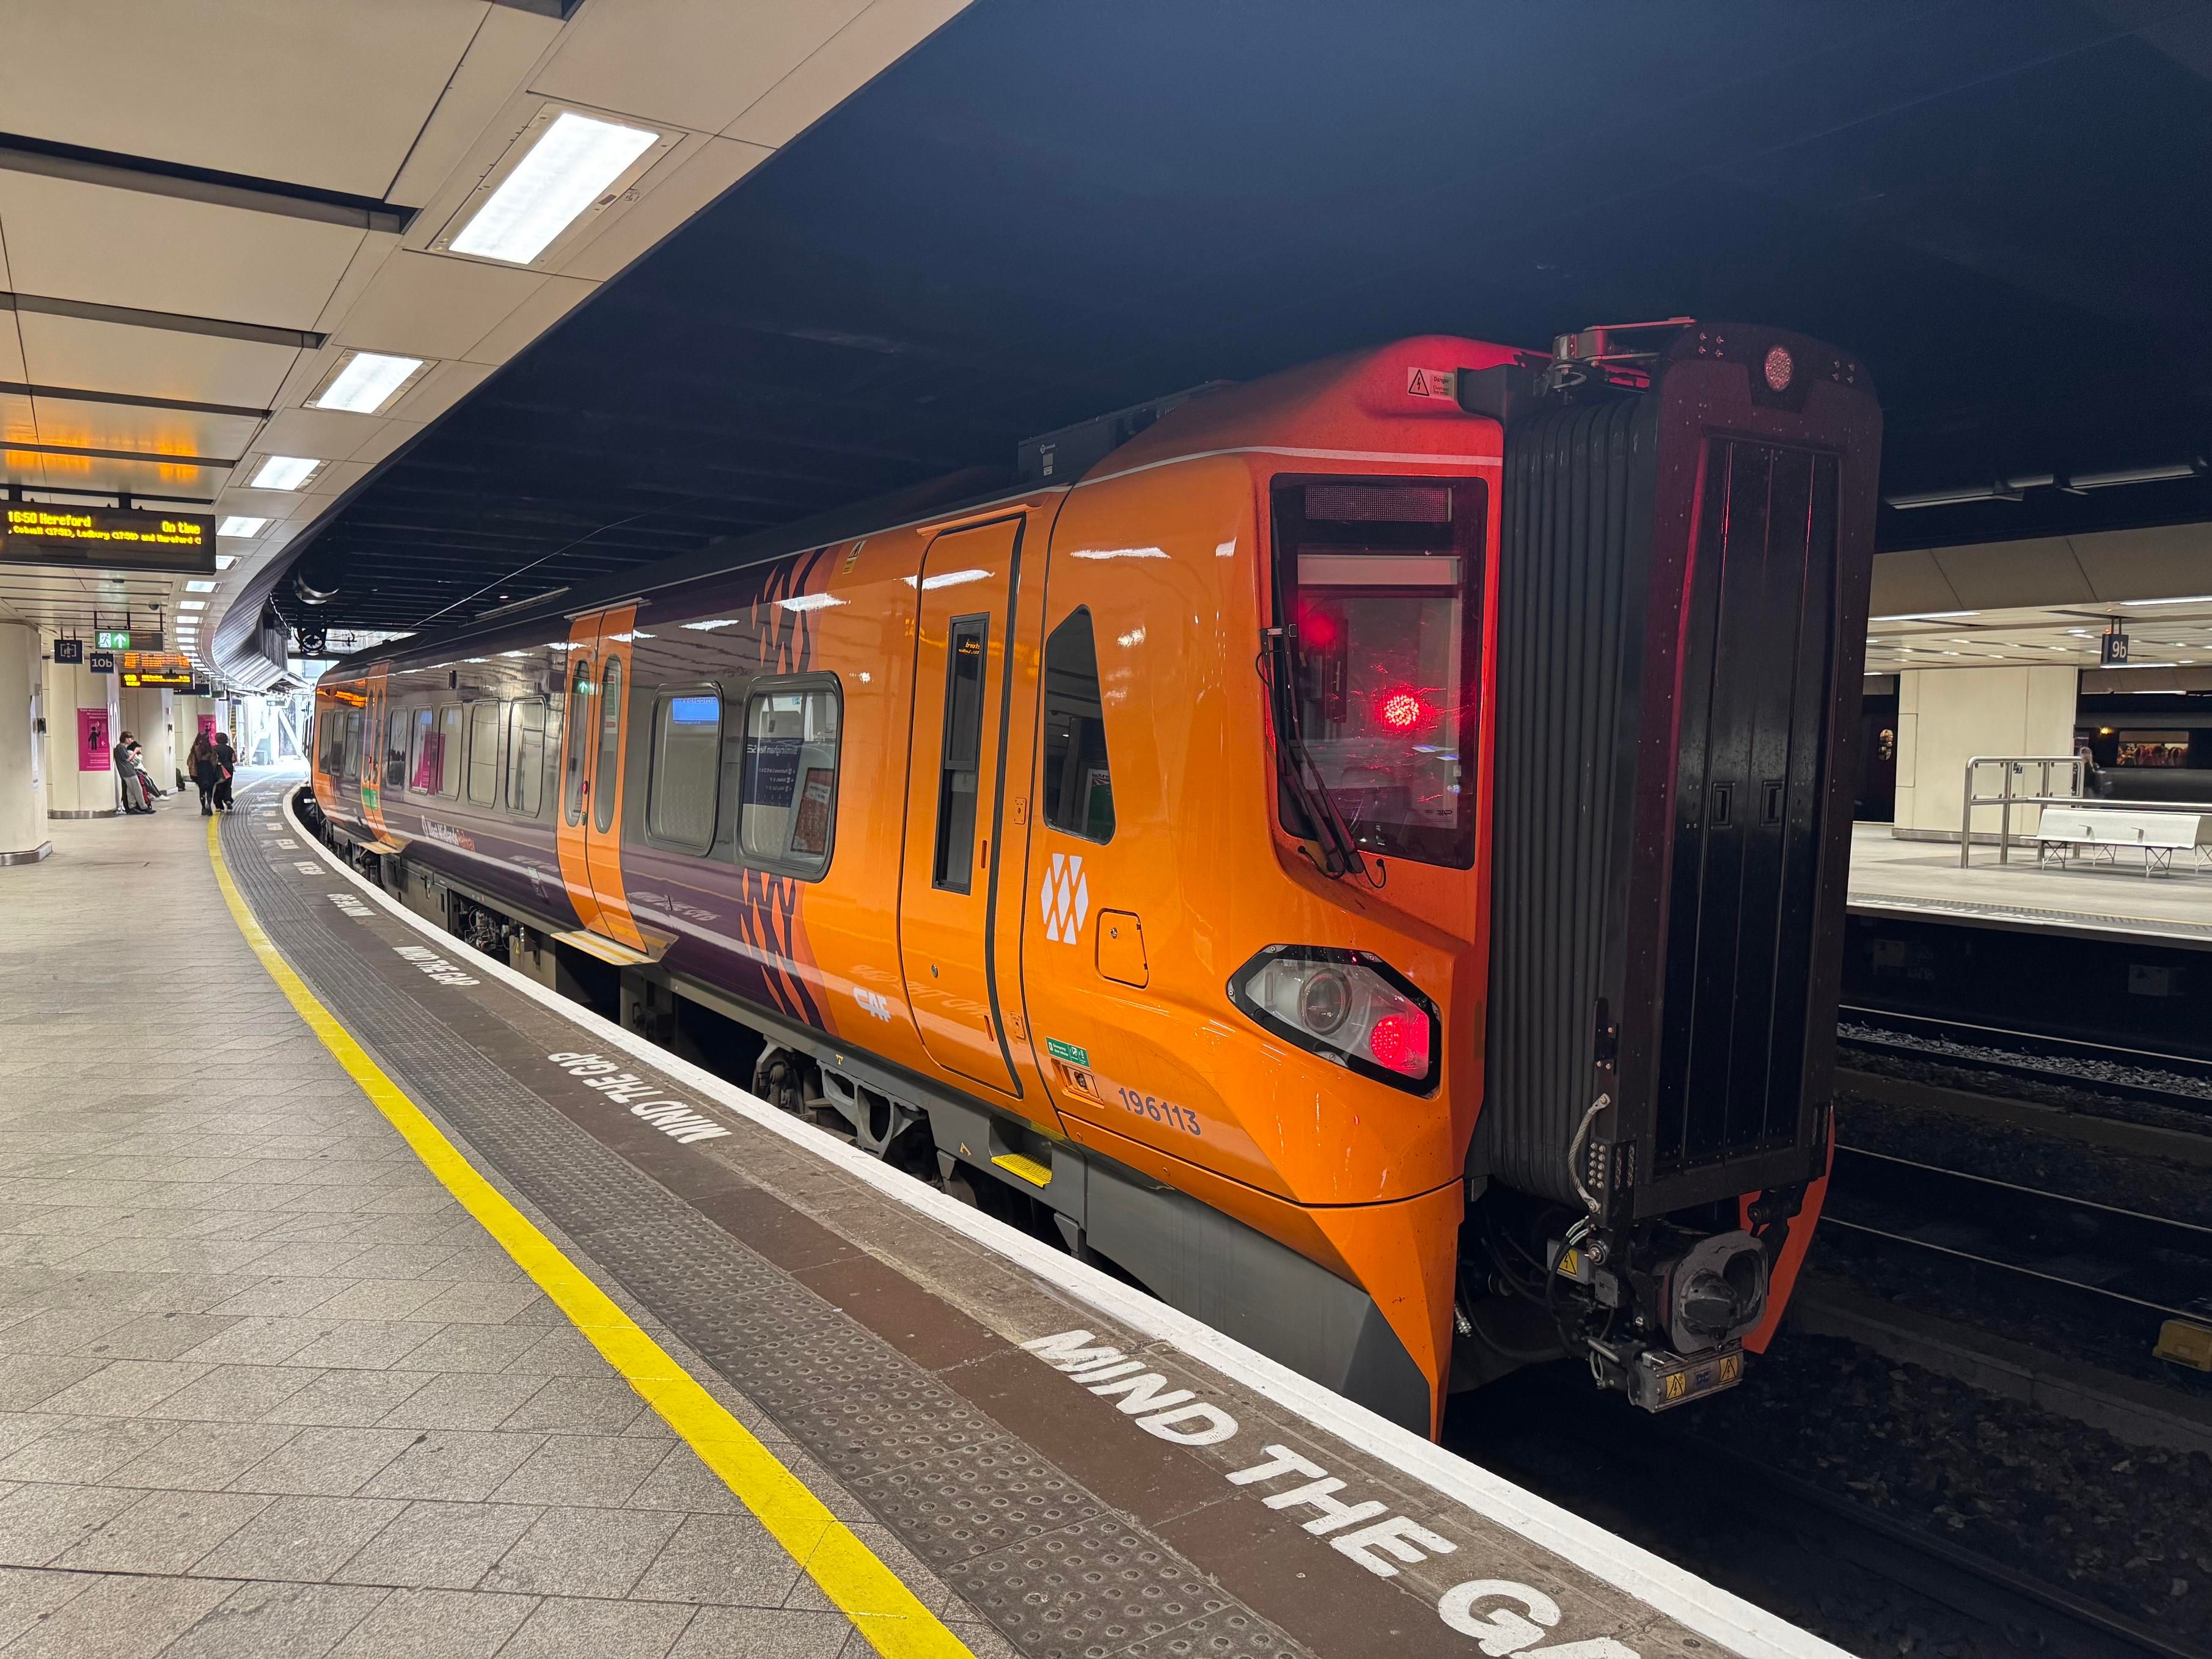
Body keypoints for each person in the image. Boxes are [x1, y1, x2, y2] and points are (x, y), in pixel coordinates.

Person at [114, 731, 153, 815]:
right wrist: (135, 751)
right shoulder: (121, 747)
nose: (132, 741)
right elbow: (128, 759)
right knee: (137, 790)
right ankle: (144, 807)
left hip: (126, 772)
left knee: (130, 791)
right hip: (128, 772)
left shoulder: (120, 748)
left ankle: (132, 807)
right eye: (131, 739)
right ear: (126, 738)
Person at [188, 731, 219, 816]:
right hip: (209, 769)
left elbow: (190, 761)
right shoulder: (210, 748)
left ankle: (203, 808)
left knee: (202, 789)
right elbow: (214, 761)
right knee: (209, 789)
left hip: (199, 770)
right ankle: (209, 804)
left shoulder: (195, 749)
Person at [213, 730, 237, 813]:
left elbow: (213, 760)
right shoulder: (230, 749)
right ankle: (228, 800)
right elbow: (234, 760)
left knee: (219, 786)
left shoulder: (214, 749)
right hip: (229, 768)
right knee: (228, 785)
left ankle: (219, 806)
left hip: (219, 768)